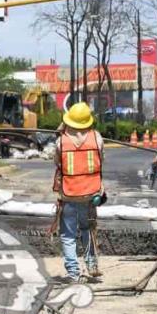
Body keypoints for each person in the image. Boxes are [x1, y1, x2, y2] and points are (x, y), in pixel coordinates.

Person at [54, 102, 103, 283]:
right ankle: (91, 264)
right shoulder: (97, 138)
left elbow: (58, 163)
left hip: (68, 194)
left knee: (68, 234)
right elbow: (101, 160)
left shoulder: (61, 141)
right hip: (91, 194)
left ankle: (73, 273)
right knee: (87, 229)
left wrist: (62, 132)